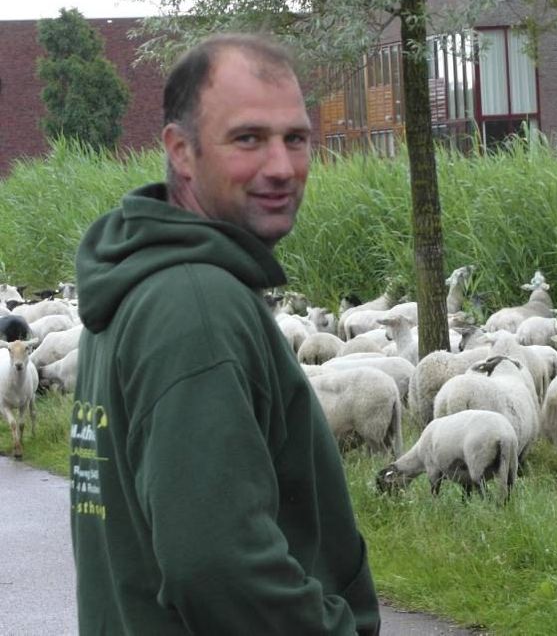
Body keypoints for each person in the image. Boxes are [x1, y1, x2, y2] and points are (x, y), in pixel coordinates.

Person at [70, 33, 380, 635]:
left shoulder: (139, 283)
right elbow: (214, 563)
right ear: (181, 151)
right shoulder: (196, 306)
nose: (281, 167)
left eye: (295, 138)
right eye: (248, 139)